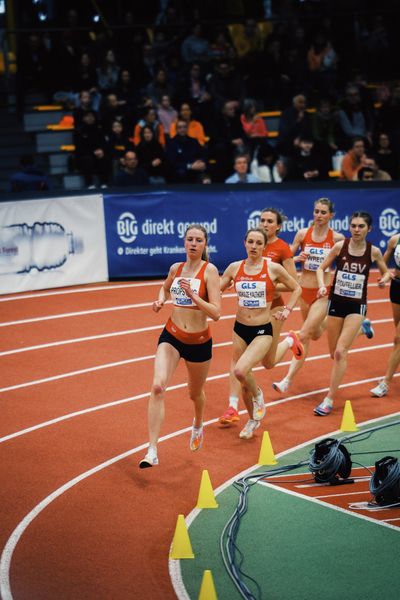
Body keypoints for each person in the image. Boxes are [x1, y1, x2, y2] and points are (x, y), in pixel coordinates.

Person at [139, 225, 221, 467]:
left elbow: (216, 313)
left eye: (198, 240)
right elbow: (165, 287)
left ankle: (197, 423)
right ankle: (152, 450)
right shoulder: (176, 268)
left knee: (194, 393)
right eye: (189, 239)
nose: (193, 244)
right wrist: (161, 300)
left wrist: (195, 297)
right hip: (172, 335)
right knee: (157, 387)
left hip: (198, 342)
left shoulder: (210, 271)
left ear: (205, 244)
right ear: (184, 243)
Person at [219, 208, 303, 425]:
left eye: (269, 221)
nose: (254, 246)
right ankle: (233, 405)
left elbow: (294, 285)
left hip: (270, 313)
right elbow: (217, 288)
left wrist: (271, 290)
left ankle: (289, 342)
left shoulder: (279, 254)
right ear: (245, 243)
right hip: (240, 325)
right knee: (239, 367)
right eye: (251, 242)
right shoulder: (235, 266)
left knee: (267, 364)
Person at [314, 212, 391, 415]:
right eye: (354, 226)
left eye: (361, 226)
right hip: (336, 303)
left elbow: (385, 271)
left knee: (340, 352)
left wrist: (384, 280)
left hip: (357, 306)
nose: (356, 230)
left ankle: (329, 399)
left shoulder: (373, 252)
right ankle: (363, 328)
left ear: (369, 229)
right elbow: (321, 268)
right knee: (333, 353)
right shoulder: (340, 247)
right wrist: (322, 286)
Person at [273, 198, 345, 395]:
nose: (319, 216)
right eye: (316, 211)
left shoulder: (337, 238)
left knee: (302, 335)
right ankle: (360, 328)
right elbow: (286, 258)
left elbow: (344, 264)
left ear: (331, 215)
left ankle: (286, 380)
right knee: (314, 334)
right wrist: (297, 259)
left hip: (324, 291)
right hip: (304, 289)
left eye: (323, 212)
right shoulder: (303, 234)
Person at [370, 232, 400, 397]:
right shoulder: (395, 240)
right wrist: (384, 278)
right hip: (397, 287)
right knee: (397, 332)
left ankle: (385, 382)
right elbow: (383, 263)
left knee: (398, 339)